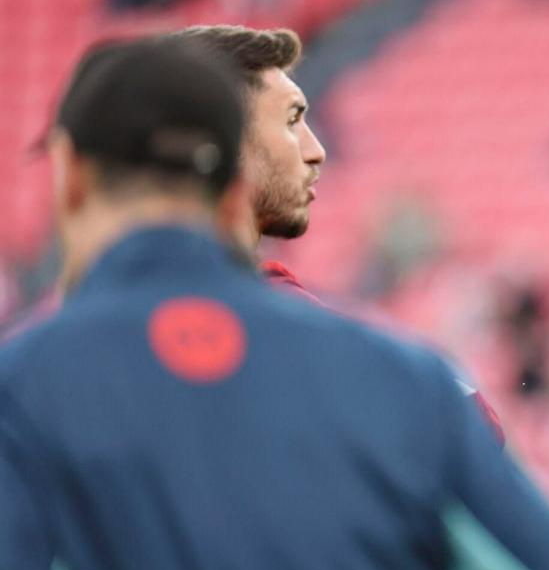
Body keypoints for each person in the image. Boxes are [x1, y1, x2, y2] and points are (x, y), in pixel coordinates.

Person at [0, 37, 549, 570]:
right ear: (233, 172)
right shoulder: (405, 380)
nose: (317, 151)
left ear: (71, 174)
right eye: (294, 120)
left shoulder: (23, 390)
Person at [168, 25, 504, 441]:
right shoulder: (277, 318)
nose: (315, 150)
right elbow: (471, 424)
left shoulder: (82, 330)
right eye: (291, 122)